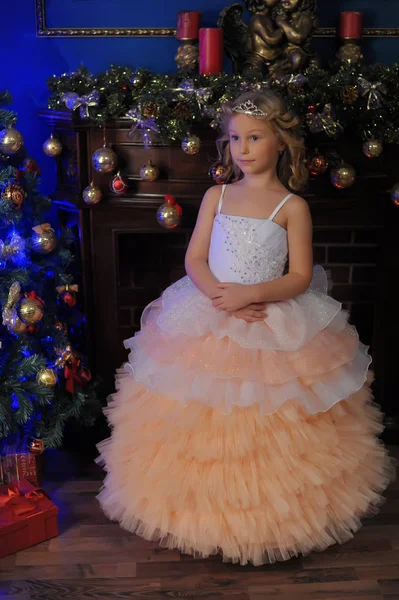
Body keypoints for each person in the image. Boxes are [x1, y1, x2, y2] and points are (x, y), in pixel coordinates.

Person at [96, 90, 395, 566]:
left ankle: (268, 523)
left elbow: (298, 276)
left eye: (255, 137)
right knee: (198, 414)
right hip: (209, 310)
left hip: (269, 316)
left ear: (281, 143)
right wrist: (221, 296)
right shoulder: (217, 195)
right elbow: (194, 258)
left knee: (270, 417)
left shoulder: (292, 207)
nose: (243, 148)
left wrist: (249, 296)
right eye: (235, 138)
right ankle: (194, 516)